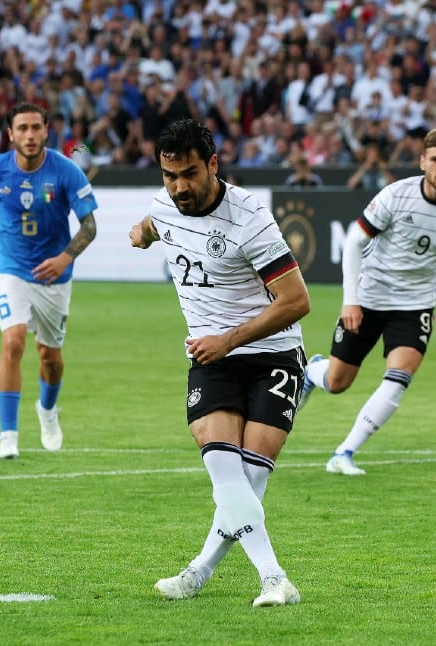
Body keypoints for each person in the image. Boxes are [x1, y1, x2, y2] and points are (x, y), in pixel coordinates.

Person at [129, 119, 310, 607]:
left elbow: (296, 301)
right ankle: (274, 579)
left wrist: (228, 340)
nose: (180, 187)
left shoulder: (251, 218)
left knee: (249, 479)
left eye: (189, 174)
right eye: (170, 176)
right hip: (212, 361)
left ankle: (199, 571)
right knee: (226, 473)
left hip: (273, 354)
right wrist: (142, 233)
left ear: (213, 164)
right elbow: (155, 223)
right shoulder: (164, 205)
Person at [297, 128, 436, 475]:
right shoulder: (396, 196)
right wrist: (350, 300)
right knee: (337, 383)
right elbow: (354, 242)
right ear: (423, 161)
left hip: (416, 305)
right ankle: (311, 371)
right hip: (369, 297)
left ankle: (344, 453)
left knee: (400, 375)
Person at [0, 102, 98, 460]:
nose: (29, 135)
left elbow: (90, 225)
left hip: (54, 275)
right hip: (9, 265)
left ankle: (47, 411)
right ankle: (8, 436)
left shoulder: (68, 167)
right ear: (10, 133)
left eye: (35, 128)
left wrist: (64, 258)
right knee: (12, 343)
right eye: (21, 128)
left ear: (46, 131)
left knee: (50, 357)